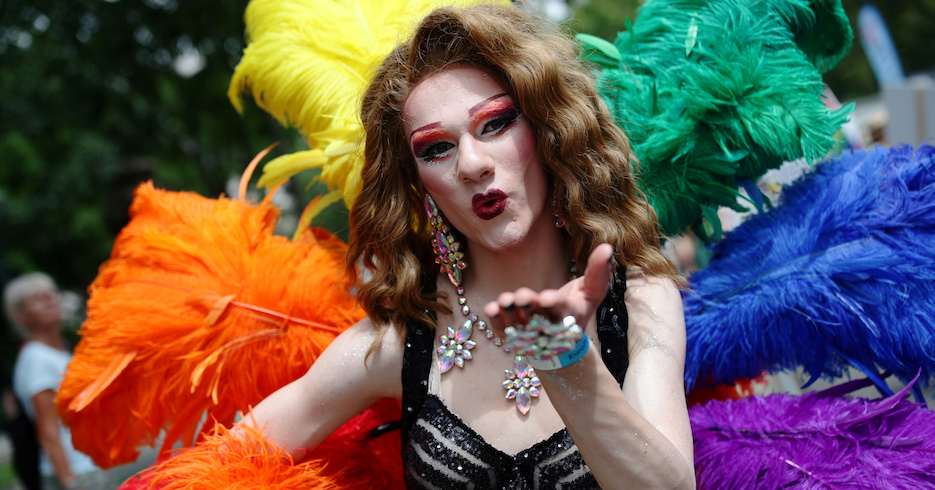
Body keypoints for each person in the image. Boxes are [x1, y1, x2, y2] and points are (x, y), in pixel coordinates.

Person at [4, 273, 110, 490]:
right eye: (37, 299)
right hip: (74, 474)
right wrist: (70, 483)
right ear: (21, 317)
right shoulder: (37, 359)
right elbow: (48, 431)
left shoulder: (57, 351)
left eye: (50, 294)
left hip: (86, 466)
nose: (49, 300)